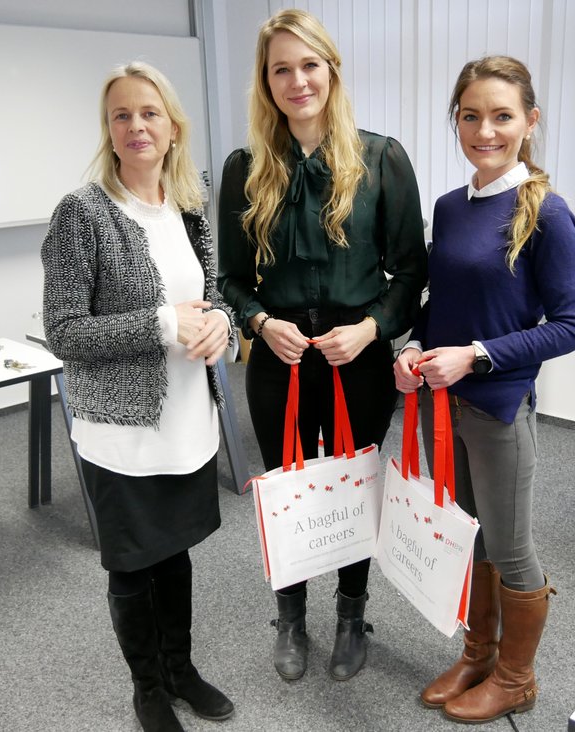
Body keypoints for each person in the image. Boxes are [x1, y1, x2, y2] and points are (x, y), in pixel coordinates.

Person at [218, 8, 427, 683]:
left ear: (331, 72)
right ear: (266, 81)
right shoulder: (245, 166)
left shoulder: (381, 157)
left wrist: (372, 328)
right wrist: (256, 322)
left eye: (309, 65)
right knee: (288, 489)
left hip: (354, 354)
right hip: (278, 356)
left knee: (352, 486)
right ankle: (290, 617)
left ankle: (350, 614)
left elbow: (411, 269)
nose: (297, 80)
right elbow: (228, 278)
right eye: (282, 68)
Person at [41, 62, 236, 732]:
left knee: (175, 553)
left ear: (173, 125)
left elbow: (215, 298)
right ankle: (148, 688)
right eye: (122, 115)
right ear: (109, 129)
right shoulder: (83, 213)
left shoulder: (189, 207)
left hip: (187, 421)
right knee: (131, 564)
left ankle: (181, 668)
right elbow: (64, 332)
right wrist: (161, 323)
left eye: (149, 112)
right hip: (121, 431)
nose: (136, 126)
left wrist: (221, 323)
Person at [393, 55, 575, 724]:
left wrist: (475, 357)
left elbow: (568, 328)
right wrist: (415, 345)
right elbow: (441, 300)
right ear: (457, 121)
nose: (485, 130)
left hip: (499, 408)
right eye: (470, 116)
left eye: (502, 116)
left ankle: (517, 676)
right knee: (467, 536)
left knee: (510, 548)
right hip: (439, 402)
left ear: (529, 121)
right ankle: (479, 654)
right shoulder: (451, 207)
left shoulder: (547, 212)